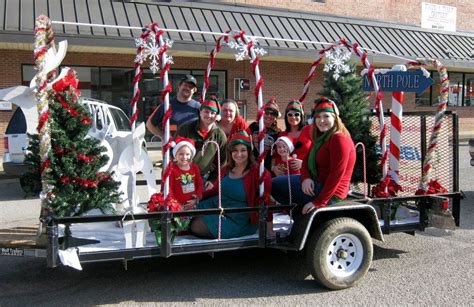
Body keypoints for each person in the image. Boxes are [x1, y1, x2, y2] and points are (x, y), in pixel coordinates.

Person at [272, 97, 356, 214]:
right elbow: (306, 160)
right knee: (273, 184)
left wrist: (319, 202)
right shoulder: (321, 138)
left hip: (329, 191)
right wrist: (306, 178)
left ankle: (300, 210)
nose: (321, 121)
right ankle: (299, 213)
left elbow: (336, 174)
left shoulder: (339, 138)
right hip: (314, 182)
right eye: (318, 117)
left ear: (335, 118)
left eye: (326, 116)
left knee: (273, 185)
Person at [190, 130, 273, 239]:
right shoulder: (226, 169)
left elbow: (266, 201)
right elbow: (215, 190)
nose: (239, 154)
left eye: (243, 150)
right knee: (187, 214)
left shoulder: (260, 174)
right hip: (218, 205)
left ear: (249, 151)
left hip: (239, 219)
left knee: (196, 225)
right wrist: (199, 197)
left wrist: (270, 229)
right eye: (235, 151)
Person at [175, 97, 227, 189]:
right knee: (186, 201)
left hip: (205, 178)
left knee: (201, 202)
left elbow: (223, 162)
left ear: (216, 116)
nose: (209, 115)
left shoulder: (220, 135)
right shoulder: (186, 129)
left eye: (212, 113)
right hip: (184, 175)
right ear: (200, 112)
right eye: (206, 112)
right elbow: (173, 151)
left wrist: (213, 180)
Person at [146, 74, 200, 139]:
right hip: (173, 147)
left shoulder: (198, 107)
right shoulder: (167, 105)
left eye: (191, 87)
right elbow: (149, 124)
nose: (187, 88)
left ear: (194, 90)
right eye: (185, 85)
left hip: (193, 147)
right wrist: (163, 137)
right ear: (179, 86)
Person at [273, 100, 309, 176]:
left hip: (306, 175)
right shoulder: (282, 135)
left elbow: (317, 152)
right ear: (286, 116)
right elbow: (275, 156)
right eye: (290, 114)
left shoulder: (309, 131)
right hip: (286, 176)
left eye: (296, 114)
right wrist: (273, 168)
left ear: (301, 116)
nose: (293, 117)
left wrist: (305, 164)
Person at [167, 136, 202, 210]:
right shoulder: (172, 170)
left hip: (192, 204)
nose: (184, 157)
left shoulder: (195, 168)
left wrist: (196, 199)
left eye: (187, 154)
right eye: (181, 154)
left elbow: (199, 184)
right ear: (175, 156)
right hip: (178, 206)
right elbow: (170, 188)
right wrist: (175, 204)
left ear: (191, 156)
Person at [249, 98, 281, 170]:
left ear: (276, 117)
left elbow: (276, 154)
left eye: (273, 114)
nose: (269, 115)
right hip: (252, 166)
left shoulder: (278, 133)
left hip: (268, 168)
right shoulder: (253, 126)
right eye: (266, 112)